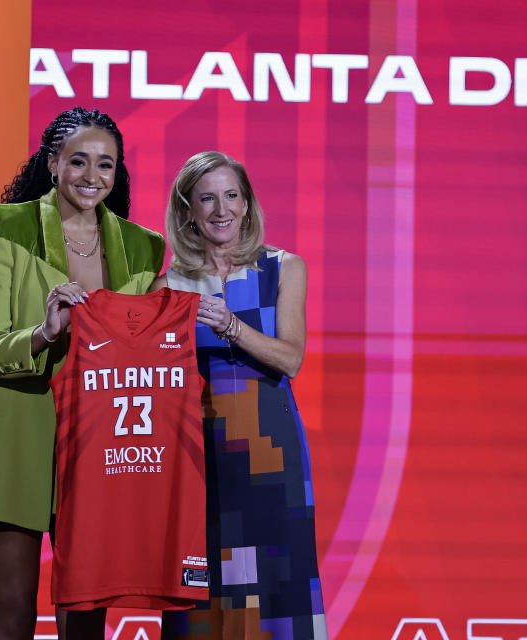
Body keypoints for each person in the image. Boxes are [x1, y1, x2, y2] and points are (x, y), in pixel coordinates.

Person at [0, 107, 165, 640]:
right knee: (11, 612)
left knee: (84, 619)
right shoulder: (2, 224)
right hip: (12, 433)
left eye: (106, 165)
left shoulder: (144, 246)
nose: (91, 176)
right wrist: (43, 332)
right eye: (78, 161)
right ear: (53, 162)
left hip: (100, 446)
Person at [152, 152, 327, 639]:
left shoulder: (284, 268)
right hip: (199, 458)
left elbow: (290, 358)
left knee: (277, 586)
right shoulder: (169, 286)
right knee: (206, 593)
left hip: (271, 455)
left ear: (247, 205)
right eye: (206, 198)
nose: (221, 209)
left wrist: (229, 324)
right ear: (188, 210)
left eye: (231, 196)